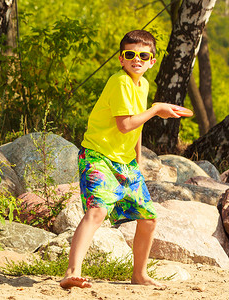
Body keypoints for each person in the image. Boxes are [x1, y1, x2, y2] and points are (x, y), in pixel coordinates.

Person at [59, 30, 181, 289]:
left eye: (143, 55)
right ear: (121, 59)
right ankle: (72, 272)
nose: (137, 59)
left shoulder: (143, 84)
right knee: (97, 211)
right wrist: (157, 109)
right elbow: (125, 124)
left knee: (148, 218)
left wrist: (136, 161)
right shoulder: (120, 82)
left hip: (125, 163)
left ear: (152, 61)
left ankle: (139, 275)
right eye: (130, 54)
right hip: (97, 155)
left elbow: (136, 128)